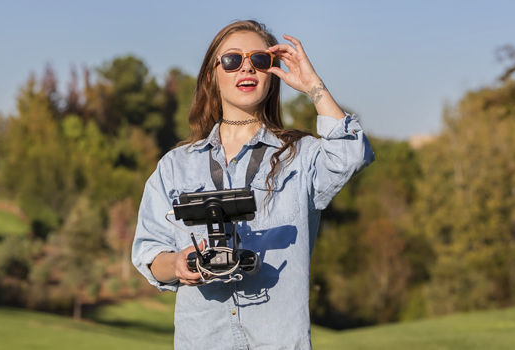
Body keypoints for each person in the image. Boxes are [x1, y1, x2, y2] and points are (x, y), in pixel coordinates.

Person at [132, 20, 374, 349]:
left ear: (272, 74)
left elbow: (352, 154)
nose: (246, 68)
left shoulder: (301, 157)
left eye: (259, 60)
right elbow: (148, 254)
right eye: (232, 60)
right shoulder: (176, 166)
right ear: (211, 74)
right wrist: (177, 264)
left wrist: (313, 86)